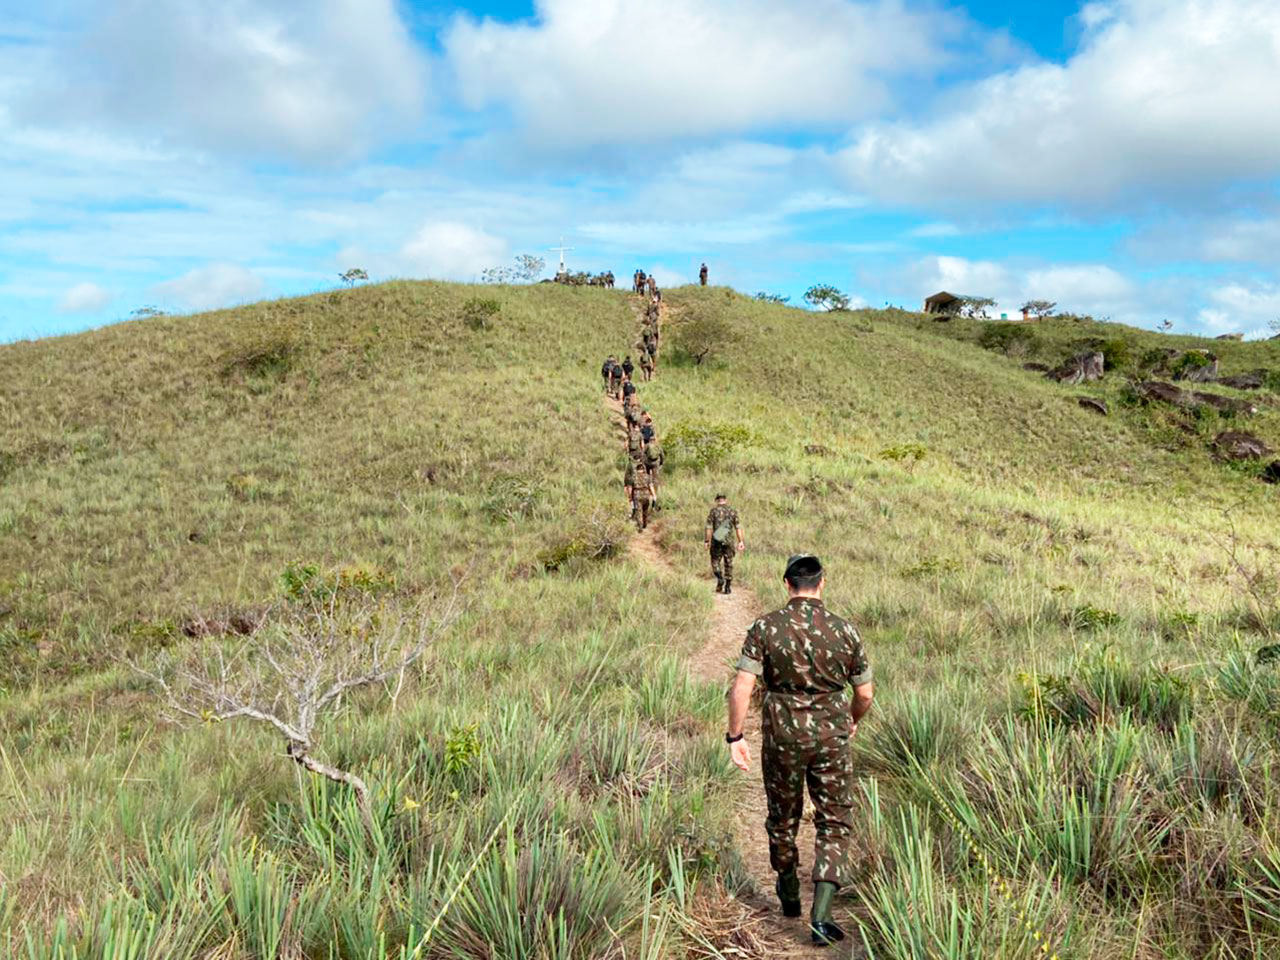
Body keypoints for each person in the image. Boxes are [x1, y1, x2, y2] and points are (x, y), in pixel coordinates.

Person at [726, 555, 874, 947]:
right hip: (832, 735)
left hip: (782, 735)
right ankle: (821, 914)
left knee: (782, 815)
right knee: (834, 820)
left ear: (787, 585)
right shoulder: (845, 630)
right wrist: (851, 719)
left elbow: (742, 687)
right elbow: (864, 693)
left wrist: (735, 736)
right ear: (821, 583)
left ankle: (789, 892)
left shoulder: (765, 627)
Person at [704, 494, 744, 594]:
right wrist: (741, 541)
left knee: (715, 561)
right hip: (729, 541)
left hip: (716, 540)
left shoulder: (713, 512)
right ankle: (728, 587)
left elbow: (709, 528)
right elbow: (738, 528)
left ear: (717, 500)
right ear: (725, 500)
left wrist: (707, 541)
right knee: (729, 563)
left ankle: (720, 578)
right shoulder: (732, 511)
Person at [624, 458, 655, 531]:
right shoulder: (647, 477)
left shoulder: (633, 477)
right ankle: (645, 523)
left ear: (637, 469)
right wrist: (654, 495)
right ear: (643, 469)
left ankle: (640, 526)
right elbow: (651, 486)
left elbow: (630, 488)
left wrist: (630, 497)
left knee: (638, 511)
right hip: (646, 495)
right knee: (645, 510)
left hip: (637, 495)